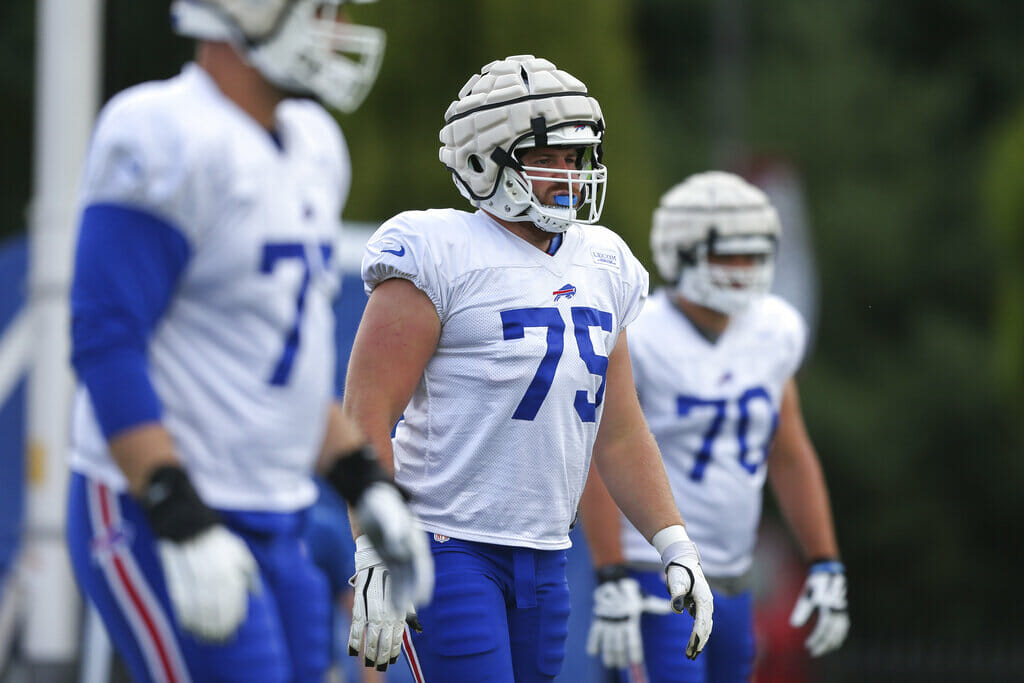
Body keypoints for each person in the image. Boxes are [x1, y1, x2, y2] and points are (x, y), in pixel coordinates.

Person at [64, 2, 432, 681]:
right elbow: (104, 338)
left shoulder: (315, 145)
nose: (340, 30)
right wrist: (175, 509)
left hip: (279, 509)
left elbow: (275, 364)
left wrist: (365, 481)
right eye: (324, 10)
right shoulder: (163, 131)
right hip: (158, 504)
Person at [340, 55, 714, 683]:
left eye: (577, 158)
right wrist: (374, 542)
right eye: (551, 158)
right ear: (485, 160)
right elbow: (367, 412)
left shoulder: (604, 262)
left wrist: (674, 541)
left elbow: (619, 431)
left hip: (548, 553)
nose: (570, 175)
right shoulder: (438, 251)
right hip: (446, 545)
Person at [580, 171, 849, 683]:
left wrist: (824, 560)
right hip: (653, 573)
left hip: (735, 577)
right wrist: (610, 569)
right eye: (729, 254)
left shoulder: (776, 328)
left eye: (754, 254)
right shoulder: (637, 330)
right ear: (680, 251)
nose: (744, 269)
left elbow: (789, 452)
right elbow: (601, 452)